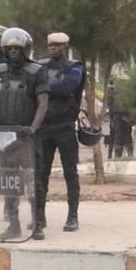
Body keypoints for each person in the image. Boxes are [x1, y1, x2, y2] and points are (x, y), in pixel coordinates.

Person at [0, 27, 48, 240]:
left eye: (17, 48)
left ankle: (37, 223)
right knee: (10, 182)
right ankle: (13, 224)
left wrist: (33, 128)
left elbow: (43, 103)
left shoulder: (37, 72)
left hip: (28, 135)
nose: (13, 52)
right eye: (9, 49)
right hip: (5, 135)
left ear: (25, 49)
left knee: (33, 181)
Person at [34, 32, 85, 239]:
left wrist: (42, 89)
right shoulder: (41, 67)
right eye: (50, 45)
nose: (53, 48)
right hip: (44, 126)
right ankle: (39, 216)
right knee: (41, 174)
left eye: (57, 45)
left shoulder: (74, 68)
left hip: (64, 126)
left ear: (65, 46)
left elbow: (67, 88)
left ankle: (72, 216)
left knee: (70, 173)